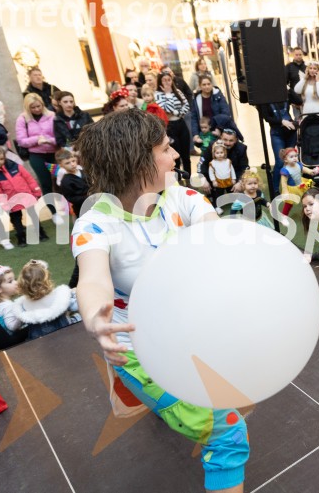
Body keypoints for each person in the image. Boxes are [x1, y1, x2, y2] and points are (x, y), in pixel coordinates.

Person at [71, 109, 249, 492]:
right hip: (138, 351)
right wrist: (96, 320)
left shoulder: (181, 197)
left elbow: (211, 235)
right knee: (227, 434)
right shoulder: (95, 224)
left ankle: (165, 404)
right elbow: (93, 281)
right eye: (166, 149)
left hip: (184, 337)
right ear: (139, 162)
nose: (176, 156)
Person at [15, 93, 59, 214]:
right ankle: (54, 212)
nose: (37, 109)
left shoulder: (52, 116)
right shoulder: (23, 119)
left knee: (60, 180)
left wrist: (49, 140)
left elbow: (60, 136)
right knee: (46, 183)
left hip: (54, 154)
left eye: (38, 106)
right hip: (37, 156)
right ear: (28, 108)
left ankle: (68, 207)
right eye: (33, 107)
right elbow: (21, 140)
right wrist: (37, 139)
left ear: (42, 104)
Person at [15, 260, 77, 340]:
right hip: (65, 336)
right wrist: (74, 293)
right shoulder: (59, 296)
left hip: (38, 341)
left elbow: (17, 324)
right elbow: (76, 306)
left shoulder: (22, 305)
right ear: (46, 280)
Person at [156, 71, 191, 176]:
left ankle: (188, 178)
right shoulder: (158, 94)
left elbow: (186, 107)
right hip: (170, 126)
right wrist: (167, 94)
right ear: (160, 82)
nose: (167, 82)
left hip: (181, 123)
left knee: (186, 155)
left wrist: (176, 113)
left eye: (169, 80)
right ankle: (178, 180)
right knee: (176, 156)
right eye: (164, 80)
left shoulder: (178, 92)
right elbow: (165, 109)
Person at [199, 128, 248, 194]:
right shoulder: (212, 146)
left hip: (233, 178)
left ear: (236, 140)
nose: (227, 143)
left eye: (231, 140)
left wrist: (240, 182)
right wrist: (203, 179)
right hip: (214, 179)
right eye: (225, 140)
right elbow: (201, 163)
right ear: (221, 138)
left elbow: (245, 168)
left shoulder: (241, 148)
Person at [191, 75, 232, 141]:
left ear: (212, 84)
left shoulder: (218, 96)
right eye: (204, 84)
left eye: (208, 84)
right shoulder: (196, 99)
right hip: (205, 134)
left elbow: (226, 113)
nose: (207, 86)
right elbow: (194, 118)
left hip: (220, 131)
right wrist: (195, 134)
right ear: (200, 86)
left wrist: (219, 129)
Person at [55, 148, 88, 217]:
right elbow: (71, 198)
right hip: (82, 208)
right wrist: (88, 197)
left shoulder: (84, 172)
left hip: (95, 204)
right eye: (67, 163)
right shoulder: (66, 181)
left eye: (73, 161)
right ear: (61, 165)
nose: (72, 164)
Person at [285, 47, 307, 116]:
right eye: (296, 55)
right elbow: (285, 83)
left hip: (306, 96)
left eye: (300, 54)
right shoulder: (288, 66)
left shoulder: (307, 66)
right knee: (298, 118)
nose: (298, 56)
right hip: (294, 97)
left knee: (307, 117)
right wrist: (291, 100)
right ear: (293, 55)